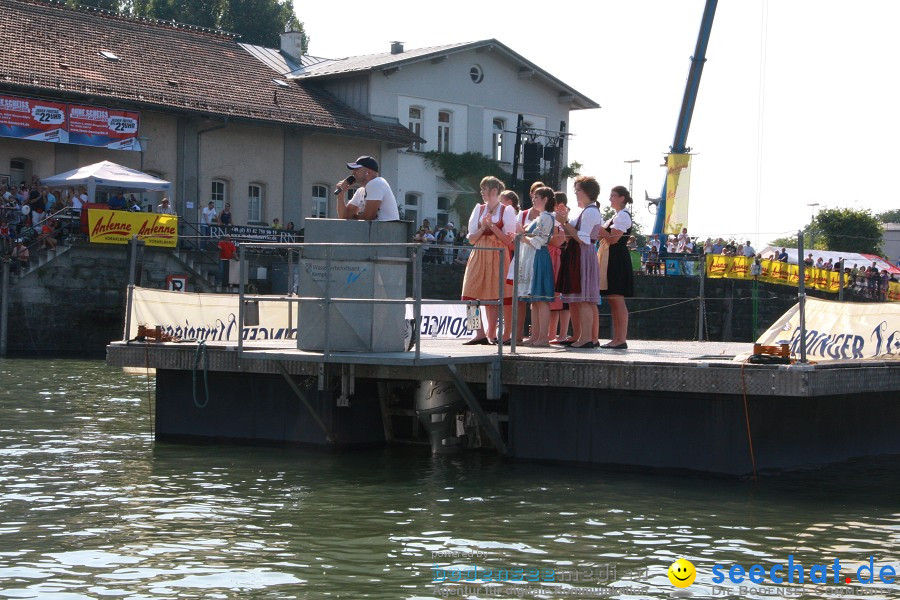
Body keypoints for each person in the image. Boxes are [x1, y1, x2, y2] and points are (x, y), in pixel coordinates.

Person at [460, 176, 516, 345]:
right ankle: (478, 332)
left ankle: (491, 334)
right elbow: (471, 239)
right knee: (471, 294)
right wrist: (483, 228)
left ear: (493, 191)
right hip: (479, 253)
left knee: (494, 296)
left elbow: (509, 241)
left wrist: (492, 227)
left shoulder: (507, 211)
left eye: (484, 189)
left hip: (498, 254)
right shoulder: (479, 209)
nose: (482, 192)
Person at [555, 175, 602, 349]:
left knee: (584, 300)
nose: (575, 192)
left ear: (588, 192)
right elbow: (570, 237)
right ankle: (583, 336)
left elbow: (582, 238)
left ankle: (586, 338)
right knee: (581, 299)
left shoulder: (591, 211)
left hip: (583, 255)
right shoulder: (584, 211)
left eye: (578, 190)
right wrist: (564, 221)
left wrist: (565, 221)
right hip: (578, 254)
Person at [516, 187, 556, 347]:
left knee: (541, 299)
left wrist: (523, 236)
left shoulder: (546, 218)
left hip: (539, 258)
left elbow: (540, 241)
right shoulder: (539, 218)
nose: (534, 200)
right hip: (533, 257)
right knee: (534, 300)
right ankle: (536, 336)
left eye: (537, 197)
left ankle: (543, 337)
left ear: (545, 199)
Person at [597, 185, 634, 349]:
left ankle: (621, 339)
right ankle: (616, 338)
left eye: (613, 196)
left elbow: (613, 239)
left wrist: (599, 227)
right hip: (611, 257)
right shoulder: (616, 216)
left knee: (618, 299)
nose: (610, 199)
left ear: (622, 198)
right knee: (613, 300)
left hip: (617, 258)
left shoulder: (623, 216)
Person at [335, 156, 399, 221]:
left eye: (356, 169)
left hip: (387, 230)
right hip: (375, 230)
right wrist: (341, 194)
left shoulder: (377, 183)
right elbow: (344, 217)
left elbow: (368, 217)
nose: (353, 173)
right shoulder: (360, 191)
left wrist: (352, 218)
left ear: (367, 172)